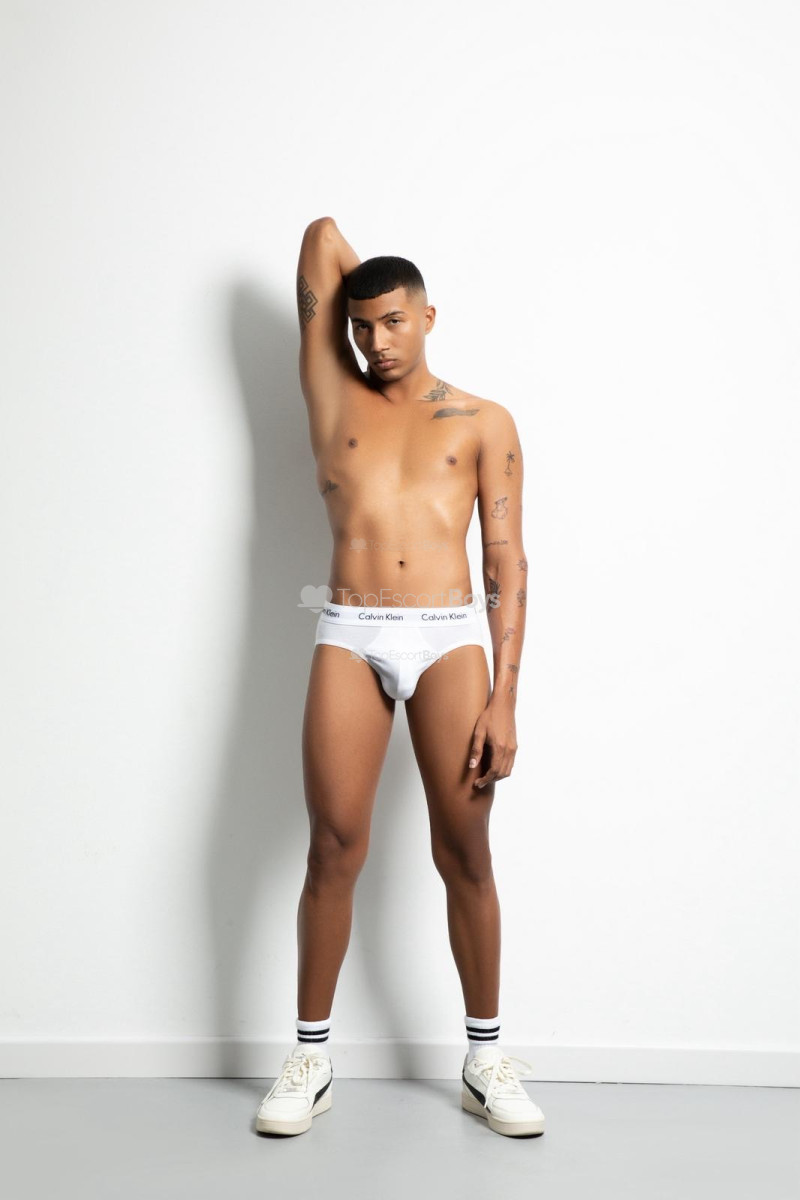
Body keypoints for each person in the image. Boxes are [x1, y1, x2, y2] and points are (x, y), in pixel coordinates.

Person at [256, 217, 545, 1138]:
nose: (376, 341)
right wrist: (363, 292)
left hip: (450, 640)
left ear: (429, 317)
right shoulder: (333, 397)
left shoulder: (483, 420)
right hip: (351, 632)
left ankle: (485, 1059)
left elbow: (506, 560)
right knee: (333, 848)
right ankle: (310, 1058)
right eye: (361, 325)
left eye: (393, 321)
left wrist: (505, 695)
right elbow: (320, 240)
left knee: (465, 853)